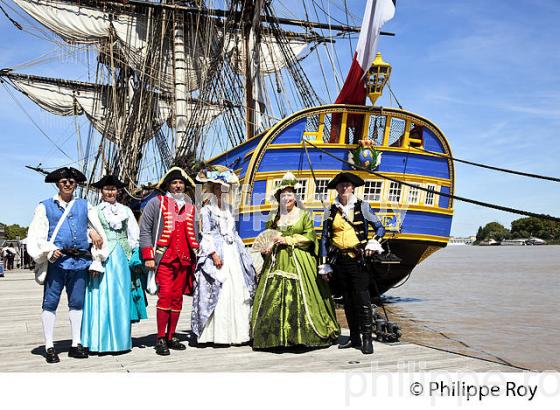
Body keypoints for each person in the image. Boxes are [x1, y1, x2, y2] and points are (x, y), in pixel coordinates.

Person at [251, 172, 340, 349]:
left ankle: (299, 337)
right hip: (277, 260)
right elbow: (269, 237)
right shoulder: (273, 217)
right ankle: (274, 338)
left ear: (295, 196)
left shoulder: (304, 215)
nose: (287, 198)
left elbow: (310, 237)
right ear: (279, 197)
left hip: (298, 258)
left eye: (290, 194)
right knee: (273, 296)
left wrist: (289, 240)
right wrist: (266, 249)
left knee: (302, 296)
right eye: (283, 195)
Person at [27, 167, 107, 363]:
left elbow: (96, 227)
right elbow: (37, 234)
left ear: (76, 184)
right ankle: (49, 346)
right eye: (64, 181)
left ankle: (75, 344)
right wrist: (47, 249)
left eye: (71, 181)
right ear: (58, 184)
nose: (68, 184)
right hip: (57, 262)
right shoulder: (45, 206)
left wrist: (92, 232)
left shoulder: (84, 205)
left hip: (80, 261)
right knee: (50, 303)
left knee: (77, 303)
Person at [318, 172, 385, 355]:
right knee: (347, 300)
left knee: (362, 299)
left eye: (347, 185)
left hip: (358, 260)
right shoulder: (330, 210)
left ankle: (366, 339)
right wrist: (324, 265)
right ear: (337, 189)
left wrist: (373, 242)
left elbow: (380, 228)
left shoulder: (362, 206)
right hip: (339, 261)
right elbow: (324, 238)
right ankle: (354, 337)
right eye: (340, 186)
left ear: (352, 187)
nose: (344, 188)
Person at [81, 175, 147, 353]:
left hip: (122, 257)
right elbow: (86, 230)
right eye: (106, 188)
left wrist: (134, 254)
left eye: (113, 189)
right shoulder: (94, 211)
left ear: (118, 191)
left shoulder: (126, 211)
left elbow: (134, 234)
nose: (110, 192)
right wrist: (91, 234)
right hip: (103, 256)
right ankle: (99, 341)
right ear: (101, 191)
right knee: (101, 295)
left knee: (121, 297)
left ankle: (120, 341)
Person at [191, 166, 256, 345]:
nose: (221, 191)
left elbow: (233, 233)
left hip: (233, 251)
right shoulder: (206, 210)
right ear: (212, 190)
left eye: (224, 188)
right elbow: (206, 235)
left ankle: (237, 334)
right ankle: (215, 335)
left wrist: (243, 253)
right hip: (217, 253)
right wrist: (213, 254)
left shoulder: (228, 209)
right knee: (219, 290)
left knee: (237, 289)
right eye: (218, 188)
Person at [139, 167, 200, 355]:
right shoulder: (156, 203)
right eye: (174, 183)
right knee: (165, 296)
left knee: (177, 298)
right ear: (168, 185)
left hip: (184, 260)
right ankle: (160, 338)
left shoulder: (190, 207)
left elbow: (196, 232)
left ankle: (171, 335)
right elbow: (145, 230)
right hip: (164, 258)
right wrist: (148, 256)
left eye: (181, 183)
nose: (178, 185)